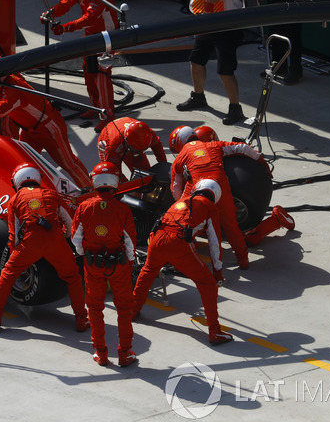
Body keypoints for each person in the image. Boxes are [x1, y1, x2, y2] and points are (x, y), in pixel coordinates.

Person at [0, 47, 91, 190]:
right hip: (30, 130)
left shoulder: (13, 90)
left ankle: (91, 190)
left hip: (50, 129)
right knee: (24, 162)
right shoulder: (0, 85)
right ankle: (36, 191)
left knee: (68, 163)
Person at [0, 163, 88, 330]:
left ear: (16, 181)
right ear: (37, 178)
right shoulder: (52, 194)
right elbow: (70, 222)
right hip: (55, 240)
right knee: (73, 278)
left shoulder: (15, 200)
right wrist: (65, 238)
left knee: (8, 274)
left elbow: (14, 234)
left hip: (30, 241)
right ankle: (81, 319)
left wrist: (14, 254)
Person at [132, 179, 234, 345]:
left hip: (156, 240)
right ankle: (215, 332)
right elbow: (215, 243)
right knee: (207, 284)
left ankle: (132, 312)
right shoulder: (210, 208)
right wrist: (218, 272)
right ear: (215, 195)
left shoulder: (181, 201)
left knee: (147, 272)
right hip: (178, 243)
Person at [169, 125, 269, 274]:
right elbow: (243, 148)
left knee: (181, 222)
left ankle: (183, 252)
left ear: (178, 143)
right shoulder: (214, 145)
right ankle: (243, 260)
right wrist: (263, 162)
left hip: (198, 189)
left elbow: (176, 192)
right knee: (231, 226)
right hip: (220, 186)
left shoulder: (179, 159)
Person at [176, 0, 247, 125]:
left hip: (227, 25)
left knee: (225, 70)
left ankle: (235, 109)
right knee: (196, 61)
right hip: (206, 21)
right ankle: (198, 96)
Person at [71, 162, 137, 367]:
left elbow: (75, 239)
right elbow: (130, 243)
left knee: (95, 309)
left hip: (93, 265)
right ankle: (125, 353)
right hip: (119, 266)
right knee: (124, 308)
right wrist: (129, 262)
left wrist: (86, 256)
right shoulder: (123, 209)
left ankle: (100, 353)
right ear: (115, 181)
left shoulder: (84, 207)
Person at [42, 0, 118, 132]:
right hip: (92, 35)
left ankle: (108, 115)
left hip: (107, 37)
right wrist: (50, 13)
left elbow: (89, 18)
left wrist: (66, 28)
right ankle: (95, 106)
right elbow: (66, 3)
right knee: (88, 70)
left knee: (102, 75)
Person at [97, 117, 167, 181]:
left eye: (142, 150)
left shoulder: (150, 134)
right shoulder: (113, 146)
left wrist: (164, 166)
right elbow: (115, 171)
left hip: (125, 140)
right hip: (107, 142)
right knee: (112, 176)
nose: (139, 153)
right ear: (126, 141)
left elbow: (158, 150)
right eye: (137, 151)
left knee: (145, 174)